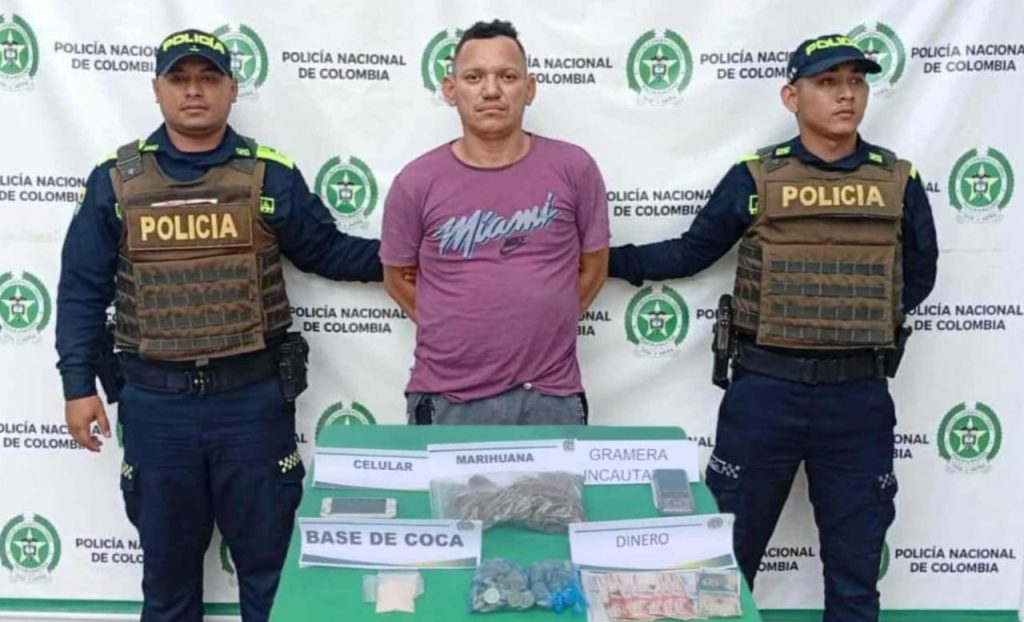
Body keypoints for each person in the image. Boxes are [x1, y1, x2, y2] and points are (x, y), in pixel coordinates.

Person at [55, 28, 383, 622]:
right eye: (179, 79)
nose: (194, 91)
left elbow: (326, 252)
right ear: (157, 89)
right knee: (168, 584)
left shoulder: (269, 175)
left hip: (251, 404)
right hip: (156, 408)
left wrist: (416, 254)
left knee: (271, 579)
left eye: (208, 78)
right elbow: (81, 289)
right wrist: (78, 385)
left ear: (231, 89)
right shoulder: (115, 182)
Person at [608, 34, 938, 622]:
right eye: (827, 82)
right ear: (792, 96)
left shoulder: (899, 181)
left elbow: (918, 276)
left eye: (856, 82)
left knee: (856, 579)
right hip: (766, 394)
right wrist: (597, 260)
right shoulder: (756, 178)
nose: (846, 95)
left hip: (857, 399)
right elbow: (692, 252)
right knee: (724, 572)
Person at [380, 20, 609, 425]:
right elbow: (398, 278)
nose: (491, 90)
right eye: (474, 77)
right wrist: (457, 328)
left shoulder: (575, 168)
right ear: (450, 90)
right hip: (447, 396)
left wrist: (542, 326)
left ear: (529, 88)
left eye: (507, 76)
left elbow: (593, 267)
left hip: (550, 395)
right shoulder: (416, 182)